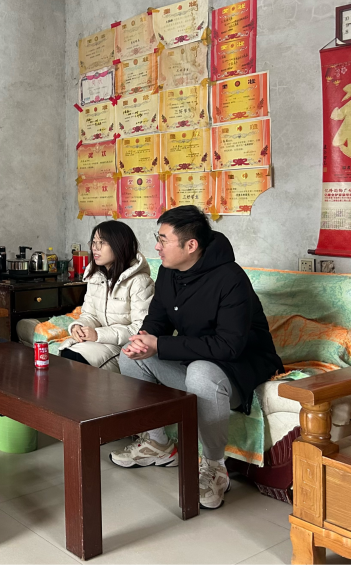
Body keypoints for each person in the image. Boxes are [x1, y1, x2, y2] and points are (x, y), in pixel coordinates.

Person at [110, 205, 284, 510]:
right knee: (130, 357)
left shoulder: (231, 279)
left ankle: (215, 467)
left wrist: (160, 345)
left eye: (163, 240)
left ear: (191, 245)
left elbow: (228, 347)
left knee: (202, 372)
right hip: (196, 363)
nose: (157, 246)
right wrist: (142, 340)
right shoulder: (168, 271)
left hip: (239, 370)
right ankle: (158, 444)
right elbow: (158, 319)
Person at [60, 221, 154, 372]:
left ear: (120, 245)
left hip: (125, 347)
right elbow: (90, 315)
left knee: (75, 360)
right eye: (93, 242)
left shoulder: (140, 282)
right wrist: (79, 326)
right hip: (101, 342)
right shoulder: (95, 277)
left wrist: (98, 334)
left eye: (102, 243)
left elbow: (140, 329)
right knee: (65, 355)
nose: (95, 248)